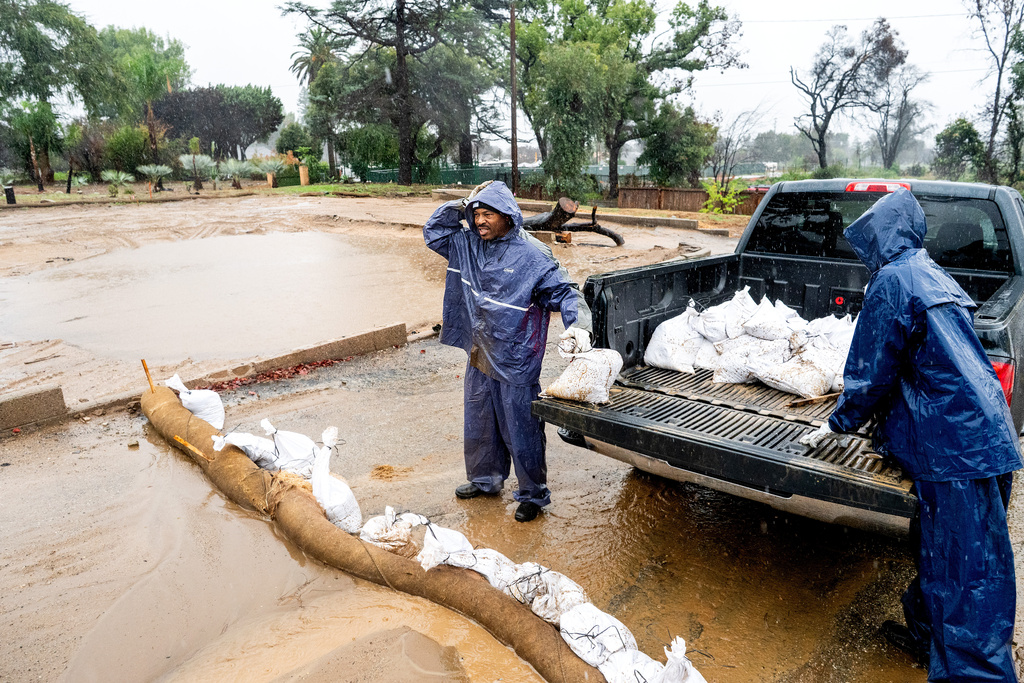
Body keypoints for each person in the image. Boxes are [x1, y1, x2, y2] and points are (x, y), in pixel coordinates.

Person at [800, 188, 1022, 681]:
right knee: (945, 551)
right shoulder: (929, 271)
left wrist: (836, 423)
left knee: (968, 579)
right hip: (980, 434)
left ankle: (975, 675)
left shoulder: (893, 282)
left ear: (882, 237)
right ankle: (926, 638)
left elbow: (871, 371)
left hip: (955, 450)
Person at [423, 180, 593, 522]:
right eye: (476, 215)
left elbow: (568, 293)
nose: (480, 221)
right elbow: (433, 231)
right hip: (480, 352)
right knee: (480, 421)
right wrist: (464, 203)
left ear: (508, 216)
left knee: (522, 429)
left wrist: (579, 327)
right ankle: (485, 480)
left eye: (488, 214)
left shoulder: (533, 255)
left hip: (516, 357)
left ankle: (532, 494)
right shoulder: (466, 244)